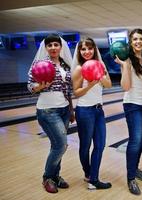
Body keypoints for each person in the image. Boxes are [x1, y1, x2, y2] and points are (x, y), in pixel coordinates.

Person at [27, 34, 75, 193]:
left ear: (60, 47)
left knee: (57, 145)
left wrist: (71, 109)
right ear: (46, 48)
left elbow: (68, 89)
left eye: (56, 44)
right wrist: (40, 86)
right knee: (61, 145)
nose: (53, 47)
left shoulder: (66, 65)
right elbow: (30, 86)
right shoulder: (39, 64)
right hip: (47, 110)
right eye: (50, 45)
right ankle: (47, 177)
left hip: (64, 109)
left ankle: (55, 176)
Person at [114, 28, 142, 195]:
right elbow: (125, 87)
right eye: (135, 39)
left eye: (141, 39)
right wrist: (125, 66)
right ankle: (130, 177)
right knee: (135, 139)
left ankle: (135, 167)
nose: (138, 42)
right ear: (130, 42)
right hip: (132, 104)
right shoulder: (127, 60)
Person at [72, 37, 112, 190]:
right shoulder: (78, 69)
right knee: (85, 146)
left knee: (100, 145)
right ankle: (88, 174)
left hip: (98, 110)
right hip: (84, 111)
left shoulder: (100, 64)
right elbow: (76, 93)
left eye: (90, 48)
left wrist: (100, 76)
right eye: (83, 49)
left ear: (94, 49)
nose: (87, 52)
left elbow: (108, 85)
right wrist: (90, 85)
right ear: (79, 52)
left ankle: (93, 179)